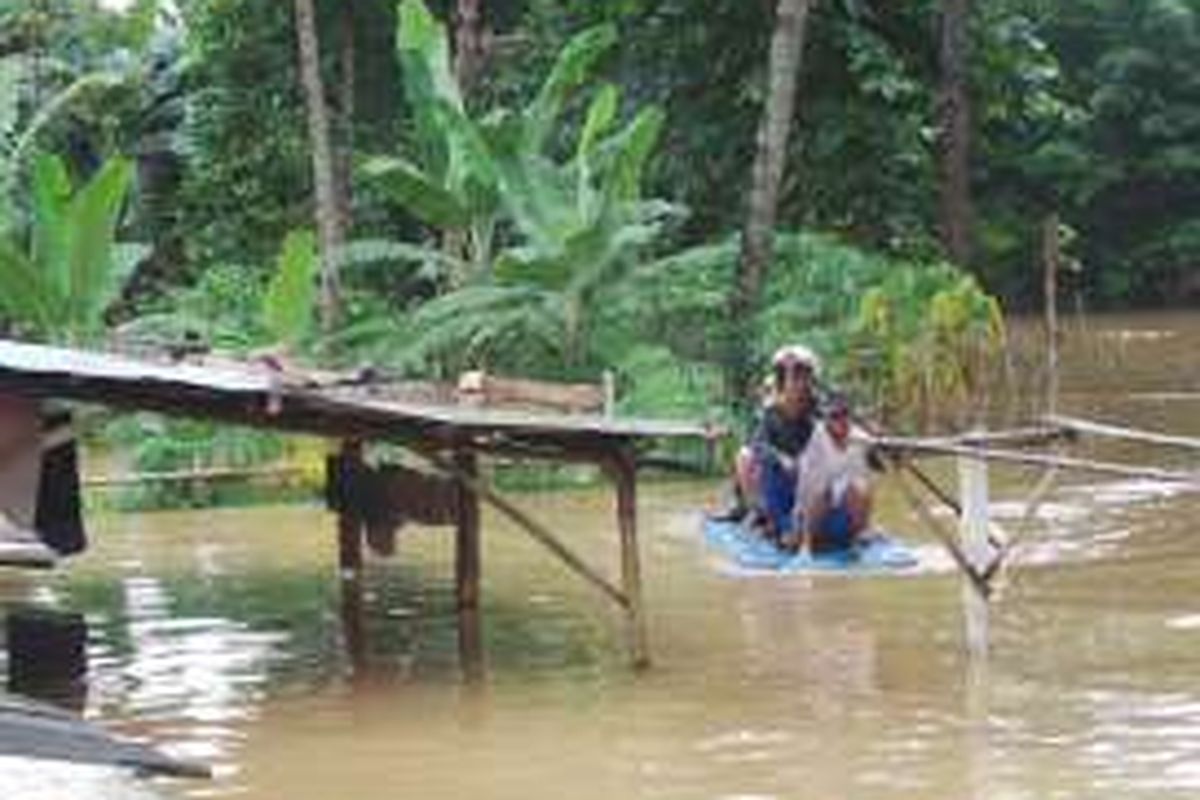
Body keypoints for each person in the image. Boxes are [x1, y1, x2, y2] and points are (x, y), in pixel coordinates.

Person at [731, 345, 821, 541]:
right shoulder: (770, 412)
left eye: (800, 374)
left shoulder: (818, 408)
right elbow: (758, 444)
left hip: (808, 475)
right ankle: (757, 512)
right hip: (777, 474)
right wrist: (781, 458)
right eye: (791, 375)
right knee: (744, 456)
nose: (797, 382)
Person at [785, 393, 873, 556]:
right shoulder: (816, 437)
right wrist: (797, 522)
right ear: (826, 420)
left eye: (844, 414)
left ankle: (857, 539)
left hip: (844, 499)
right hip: (815, 499)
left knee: (859, 490)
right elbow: (806, 486)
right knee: (821, 491)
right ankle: (807, 545)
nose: (841, 421)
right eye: (834, 416)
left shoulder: (861, 439)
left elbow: (864, 481)